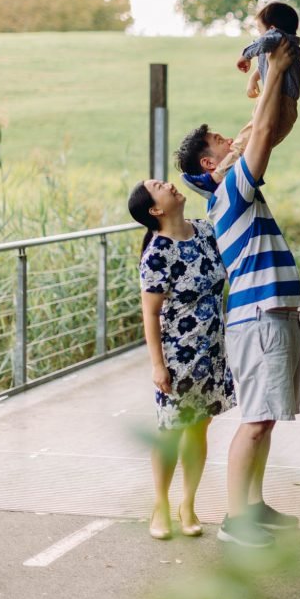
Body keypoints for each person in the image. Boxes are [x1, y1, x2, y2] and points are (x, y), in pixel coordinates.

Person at [175, 38, 300, 549]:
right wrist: (275, 70)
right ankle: (235, 520)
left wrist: (270, 72)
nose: (232, 141)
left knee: (264, 418)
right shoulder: (232, 191)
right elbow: (265, 131)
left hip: (269, 312)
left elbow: (264, 125)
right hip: (259, 316)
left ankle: (254, 506)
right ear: (211, 165)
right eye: (220, 141)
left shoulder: (231, 190)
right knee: (254, 420)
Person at [128, 178, 236, 540]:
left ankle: (188, 503)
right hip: (178, 355)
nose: (170, 185)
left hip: (212, 352)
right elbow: (150, 314)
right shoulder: (158, 253)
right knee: (171, 432)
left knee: (199, 428)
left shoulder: (205, 231)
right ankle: (160, 505)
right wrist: (157, 365)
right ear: (155, 209)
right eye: (160, 187)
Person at [206, 2, 300, 184]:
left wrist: (246, 55)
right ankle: (238, 178)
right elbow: (267, 64)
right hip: (285, 106)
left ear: (272, 29)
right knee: (251, 145)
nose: (259, 36)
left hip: (279, 103)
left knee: (245, 143)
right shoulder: (286, 47)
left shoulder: (277, 39)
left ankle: (216, 178)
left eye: (259, 30)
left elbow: (264, 42)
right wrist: (253, 78)